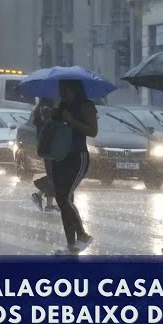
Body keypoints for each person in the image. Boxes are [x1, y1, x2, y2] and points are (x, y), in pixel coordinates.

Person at [50, 79, 98, 255]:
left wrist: (71, 120)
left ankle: (83, 235)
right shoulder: (62, 106)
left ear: (75, 89)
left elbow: (93, 131)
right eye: (60, 89)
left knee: (64, 197)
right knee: (63, 200)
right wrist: (55, 115)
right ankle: (71, 244)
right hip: (59, 156)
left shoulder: (86, 106)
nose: (62, 93)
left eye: (66, 89)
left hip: (77, 157)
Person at [30, 97, 59, 212]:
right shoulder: (47, 111)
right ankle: (42, 198)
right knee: (54, 176)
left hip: (45, 147)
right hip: (50, 148)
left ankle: (47, 202)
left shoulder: (39, 110)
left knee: (53, 175)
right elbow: (51, 127)